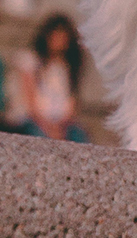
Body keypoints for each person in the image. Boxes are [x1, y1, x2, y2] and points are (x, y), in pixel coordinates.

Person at [10, 13, 90, 142]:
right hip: (32, 120)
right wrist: (46, 126)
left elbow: (73, 103)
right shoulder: (30, 60)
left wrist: (61, 126)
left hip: (62, 123)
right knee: (40, 137)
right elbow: (30, 99)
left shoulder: (69, 67)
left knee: (80, 137)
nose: (59, 41)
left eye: (63, 37)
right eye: (56, 36)